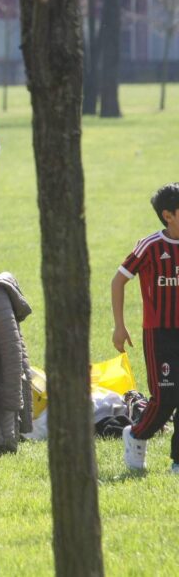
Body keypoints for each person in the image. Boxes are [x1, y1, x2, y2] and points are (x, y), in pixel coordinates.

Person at [111, 183, 179, 474]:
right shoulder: (151, 246)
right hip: (159, 333)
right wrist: (119, 326)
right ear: (168, 215)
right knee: (165, 399)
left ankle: (177, 461)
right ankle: (137, 434)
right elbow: (118, 280)